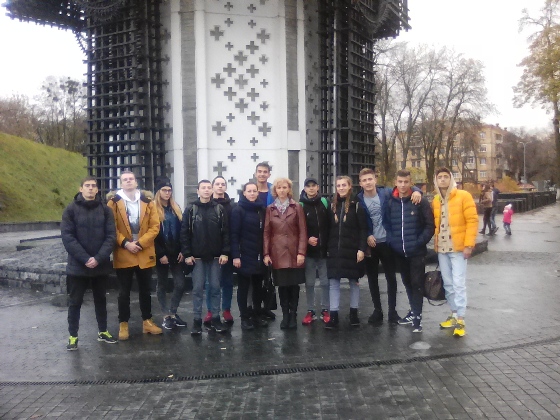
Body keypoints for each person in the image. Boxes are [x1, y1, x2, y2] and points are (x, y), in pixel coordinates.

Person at [357, 168, 421, 325]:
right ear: (360, 183)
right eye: (364, 180)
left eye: (370, 179)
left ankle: (392, 312)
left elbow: (404, 187)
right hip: (371, 244)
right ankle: (377, 310)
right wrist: (367, 235)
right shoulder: (358, 199)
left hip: (387, 242)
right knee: (372, 278)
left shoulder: (386, 193)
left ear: (375, 180)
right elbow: (358, 222)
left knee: (391, 277)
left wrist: (417, 191)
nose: (368, 182)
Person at [61, 176, 117, 350]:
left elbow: (111, 236)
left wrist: (98, 258)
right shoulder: (70, 210)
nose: (91, 188)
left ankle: (103, 331)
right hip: (78, 266)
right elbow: (68, 237)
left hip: (100, 265)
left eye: (93, 186)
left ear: (97, 189)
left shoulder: (106, 210)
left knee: (101, 300)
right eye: (87, 185)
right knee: (75, 302)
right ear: (81, 189)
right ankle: (73, 336)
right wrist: (85, 258)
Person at [107, 171, 162, 340]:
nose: (128, 181)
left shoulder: (148, 201)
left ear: (136, 182)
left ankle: (147, 321)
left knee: (145, 290)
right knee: (124, 292)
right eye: (125, 179)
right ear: (121, 183)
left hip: (144, 250)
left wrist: (140, 243)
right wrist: (126, 243)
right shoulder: (113, 203)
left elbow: (155, 226)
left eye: (131, 179)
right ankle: (123, 323)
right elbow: (111, 227)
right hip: (124, 251)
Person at [383, 169, 434, 333]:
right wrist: (393, 242)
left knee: (417, 283)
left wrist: (418, 243)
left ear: (411, 183)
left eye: (406, 182)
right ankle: (413, 311)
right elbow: (387, 224)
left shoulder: (420, 201)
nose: (403, 185)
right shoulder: (390, 202)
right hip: (399, 251)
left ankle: (417, 318)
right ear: (395, 182)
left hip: (416, 252)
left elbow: (430, 226)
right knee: (407, 282)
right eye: (400, 182)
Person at [432, 167, 478, 337]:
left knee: (459, 283)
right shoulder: (436, 200)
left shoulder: (463, 196)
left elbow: (472, 220)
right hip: (442, 248)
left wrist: (469, 245)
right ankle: (453, 313)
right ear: (436, 180)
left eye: (446, 176)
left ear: (451, 179)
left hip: (458, 248)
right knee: (448, 283)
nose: (443, 179)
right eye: (440, 177)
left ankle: (461, 318)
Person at [180, 180, 230, 335]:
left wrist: (225, 252)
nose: (206, 190)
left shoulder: (219, 209)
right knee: (197, 289)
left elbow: (226, 232)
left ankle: (215, 318)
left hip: (215, 256)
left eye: (209, 188)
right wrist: (187, 254)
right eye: (203, 188)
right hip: (197, 258)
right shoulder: (191, 209)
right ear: (198, 191)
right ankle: (197, 320)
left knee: (215, 287)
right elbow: (184, 233)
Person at [263, 178, 307, 329]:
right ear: (275, 190)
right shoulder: (270, 209)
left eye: (284, 187)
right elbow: (267, 233)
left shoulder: (297, 207)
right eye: (279, 188)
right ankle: (285, 315)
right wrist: (266, 253)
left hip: (294, 252)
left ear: (289, 189)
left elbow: (303, 231)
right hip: (277, 253)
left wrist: (301, 252)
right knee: (282, 286)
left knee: (294, 285)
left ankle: (293, 315)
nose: (282, 190)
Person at [325, 175, 368, 329]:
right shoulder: (332, 205)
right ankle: (334, 315)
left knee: (354, 282)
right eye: (338, 185)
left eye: (344, 185)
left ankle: (354, 313)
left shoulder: (357, 205)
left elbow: (363, 229)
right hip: (335, 250)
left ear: (350, 186)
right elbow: (327, 229)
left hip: (352, 250)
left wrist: (361, 249)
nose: (341, 188)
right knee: (333, 283)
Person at [230, 182, 268, 330]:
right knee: (244, 288)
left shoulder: (261, 209)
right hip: (244, 254)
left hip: (259, 255)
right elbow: (234, 234)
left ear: (258, 193)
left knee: (258, 287)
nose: (252, 193)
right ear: (244, 193)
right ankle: (244, 317)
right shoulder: (238, 210)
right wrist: (236, 256)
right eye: (249, 191)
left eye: (254, 191)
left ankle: (257, 315)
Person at [153, 177, 188, 330]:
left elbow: (183, 230)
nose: (167, 193)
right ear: (158, 192)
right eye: (164, 190)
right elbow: (152, 234)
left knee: (180, 283)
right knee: (162, 283)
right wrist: (160, 254)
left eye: (169, 190)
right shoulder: (152, 209)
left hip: (176, 252)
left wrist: (183, 250)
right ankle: (166, 315)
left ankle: (173, 312)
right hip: (161, 252)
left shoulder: (176, 208)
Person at [201, 176, 235, 327]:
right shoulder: (207, 205)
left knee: (227, 281)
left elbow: (231, 230)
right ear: (213, 187)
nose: (220, 186)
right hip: (211, 250)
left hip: (228, 250)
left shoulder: (232, 206)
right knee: (211, 283)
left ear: (226, 187)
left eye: (223, 184)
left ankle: (226, 309)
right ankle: (210, 310)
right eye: (217, 184)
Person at [299, 177, 331, 325]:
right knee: (310, 282)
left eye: (314, 185)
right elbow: (298, 228)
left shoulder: (324, 202)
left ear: (318, 187)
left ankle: (325, 309)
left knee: (325, 282)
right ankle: (310, 310)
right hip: (309, 252)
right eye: (308, 186)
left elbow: (331, 224)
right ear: (305, 189)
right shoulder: (300, 205)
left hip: (323, 250)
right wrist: (306, 240)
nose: (311, 188)